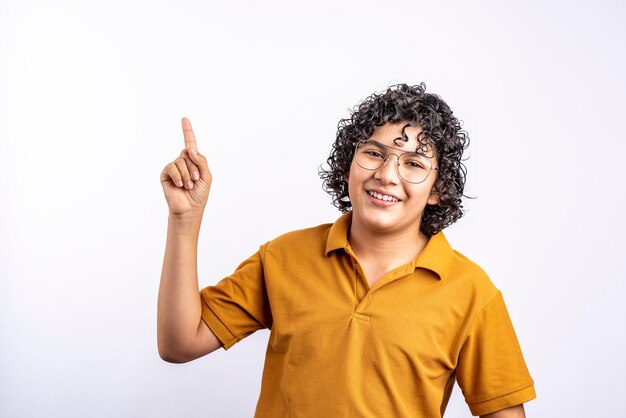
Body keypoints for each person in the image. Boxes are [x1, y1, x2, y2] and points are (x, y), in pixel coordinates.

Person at [157, 83, 536, 417]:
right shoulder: (283, 257)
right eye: (374, 153)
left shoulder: (470, 291)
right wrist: (184, 220)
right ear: (347, 164)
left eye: (414, 163)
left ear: (438, 190)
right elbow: (179, 343)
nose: (387, 174)